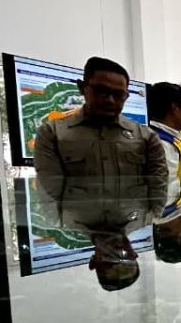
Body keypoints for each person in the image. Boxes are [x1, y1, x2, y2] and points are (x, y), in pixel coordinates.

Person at [34, 56, 167, 216]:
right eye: (101, 91)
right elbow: (49, 194)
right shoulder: (52, 134)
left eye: (118, 95)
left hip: (130, 228)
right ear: (82, 87)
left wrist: (146, 223)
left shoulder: (146, 137)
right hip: (79, 230)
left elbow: (158, 189)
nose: (110, 100)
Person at [148, 81, 181, 217]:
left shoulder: (171, 138)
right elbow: (168, 188)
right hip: (169, 216)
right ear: (175, 108)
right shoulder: (161, 143)